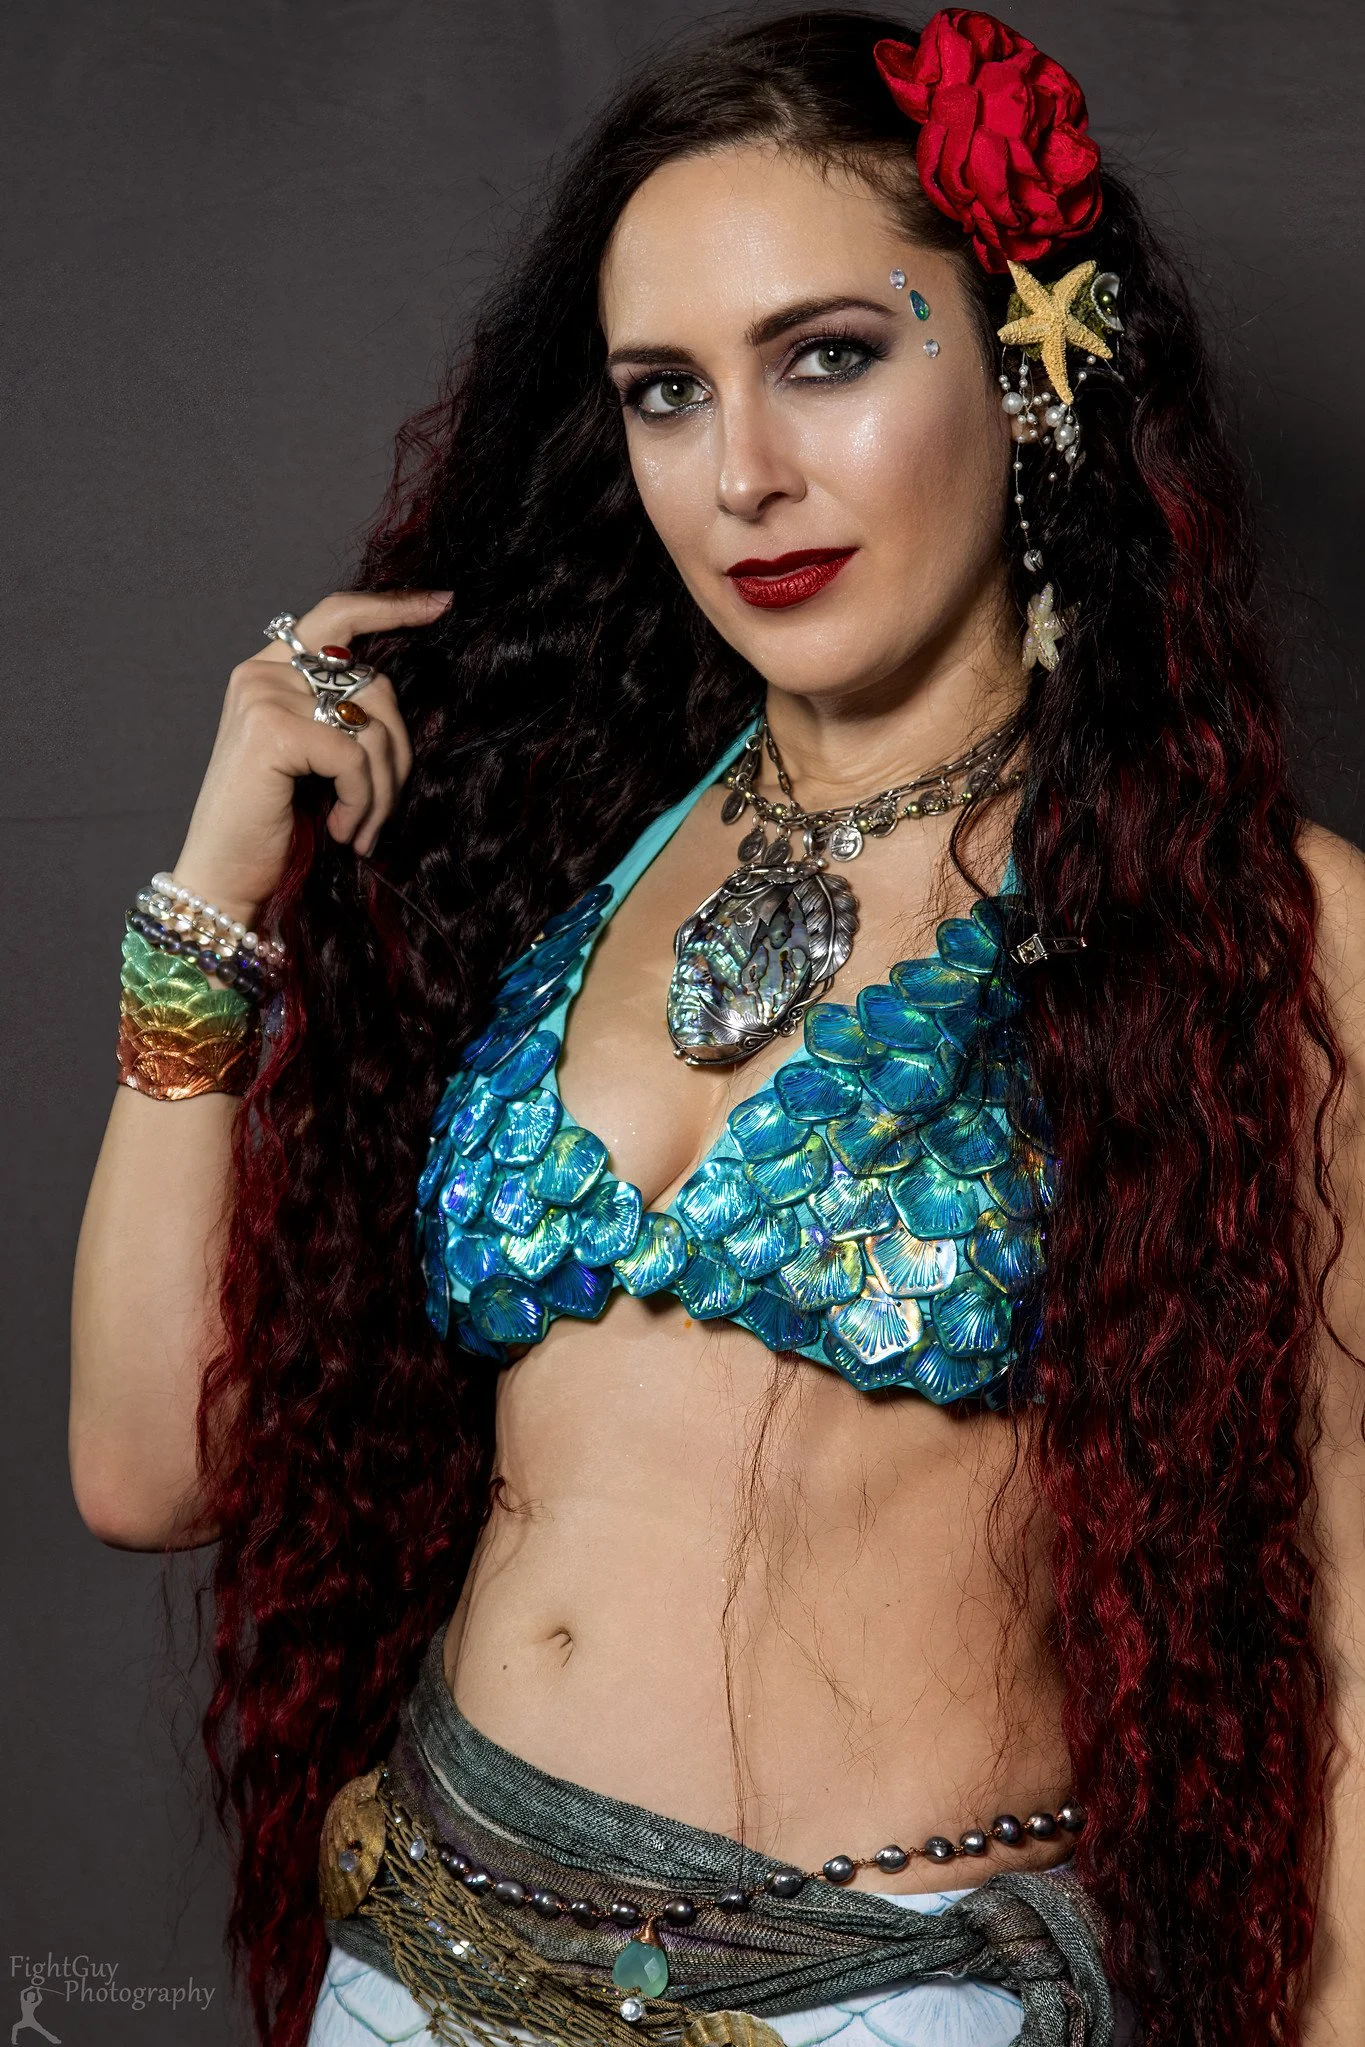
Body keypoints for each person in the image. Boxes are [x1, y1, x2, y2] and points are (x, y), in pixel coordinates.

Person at [68, 9, 1365, 2046]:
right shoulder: (540, 841)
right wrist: (212, 895)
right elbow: (157, 1464)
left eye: (828, 355)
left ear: (1027, 369)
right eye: (666, 393)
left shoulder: (1255, 927)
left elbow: (1355, 1651)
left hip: (882, 1999)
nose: (744, 472)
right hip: (421, 1948)